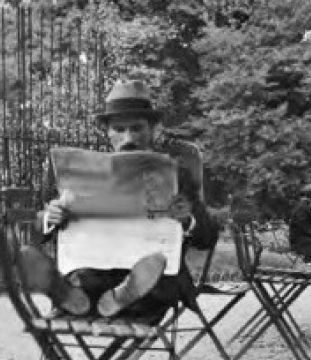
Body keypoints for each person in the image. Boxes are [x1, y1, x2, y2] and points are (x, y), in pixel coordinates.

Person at [21, 79, 219, 320]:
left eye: (137, 128)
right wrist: (48, 219)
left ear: (152, 130)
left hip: (154, 279)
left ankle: (115, 296)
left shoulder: (176, 175)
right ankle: (72, 295)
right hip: (94, 274)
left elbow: (208, 237)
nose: (128, 138)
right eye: (119, 129)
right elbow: (38, 234)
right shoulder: (85, 176)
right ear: (108, 132)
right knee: (81, 279)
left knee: (152, 276)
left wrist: (188, 219)